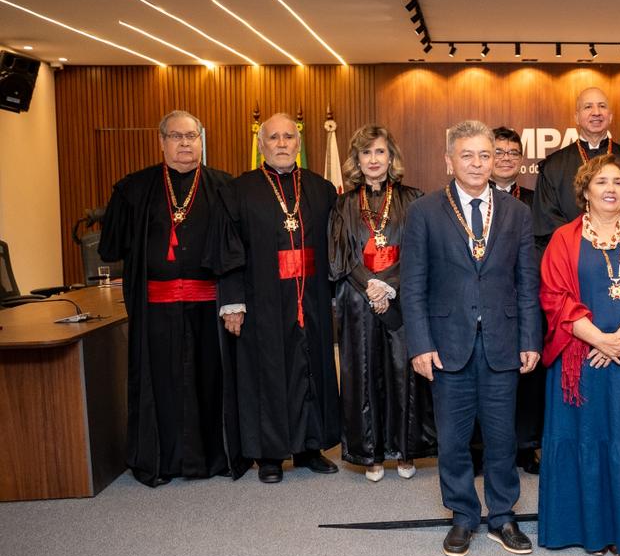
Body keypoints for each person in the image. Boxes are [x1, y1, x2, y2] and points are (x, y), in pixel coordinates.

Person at [401, 120, 541, 556]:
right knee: (453, 439)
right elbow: (413, 284)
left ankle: (502, 516)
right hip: (447, 344)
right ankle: (462, 515)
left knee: (502, 438)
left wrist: (530, 338)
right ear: (449, 161)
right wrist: (420, 344)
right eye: (468, 155)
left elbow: (527, 282)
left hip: (503, 340)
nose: (478, 163)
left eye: (485, 155)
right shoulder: (424, 211)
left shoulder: (516, 212)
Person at [538, 155, 620, 556]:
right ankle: (589, 531)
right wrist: (599, 339)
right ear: (585, 191)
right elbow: (554, 297)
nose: (610, 189)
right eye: (600, 182)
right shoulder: (563, 238)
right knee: (586, 437)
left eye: (617, 182)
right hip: (580, 360)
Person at [98, 110, 242, 486]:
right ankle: (164, 459)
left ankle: (213, 459)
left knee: (209, 383)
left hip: (209, 309)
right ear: (161, 141)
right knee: (160, 384)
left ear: (201, 141)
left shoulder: (224, 187)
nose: (185, 144)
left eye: (191, 136)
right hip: (155, 312)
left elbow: (236, 254)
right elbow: (110, 248)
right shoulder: (133, 189)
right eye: (176, 136)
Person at [207, 112, 339, 484]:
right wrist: (232, 302)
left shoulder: (321, 188)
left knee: (311, 367)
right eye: (274, 137)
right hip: (262, 298)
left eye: (289, 137)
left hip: (311, 297)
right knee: (266, 374)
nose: (282, 143)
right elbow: (228, 250)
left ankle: (310, 448)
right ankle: (269, 455)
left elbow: (336, 245)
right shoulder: (239, 190)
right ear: (261, 144)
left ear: (298, 143)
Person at [328, 124, 434, 482]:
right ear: (357, 160)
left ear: (391, 157)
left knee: (404, 374)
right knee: (362, 373)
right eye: (366, 153)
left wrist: (388, 286)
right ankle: (369, 454)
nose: (373, 159)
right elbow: (340, 257)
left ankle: (405, 451)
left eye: (380, 152)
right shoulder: (343, 204)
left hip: (402, 300)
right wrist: (371, 287)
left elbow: (421, 252)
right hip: (358, 301)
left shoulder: (414, 199)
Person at [532, 87, 620, 253]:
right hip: (571, 257)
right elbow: (547, 223)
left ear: (610, 116)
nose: (596, 112)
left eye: (602, 106)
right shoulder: (553, 166)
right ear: (576, 117)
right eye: (588, 107)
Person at [491, 126, 542, 475]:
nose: (506, 159)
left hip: (527, 298)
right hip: (488, 301)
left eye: (513, 153)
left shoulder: (536, 201)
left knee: (527, 375)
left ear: (521, 160)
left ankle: (525, 446)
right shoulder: (471, 198)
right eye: (499, 152)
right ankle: (481, 448)